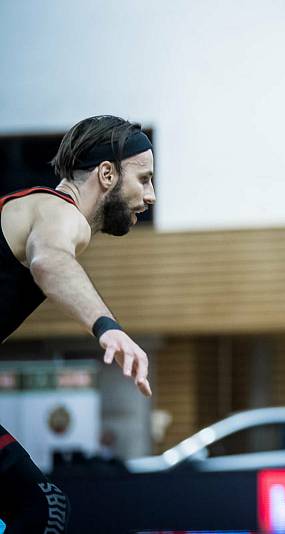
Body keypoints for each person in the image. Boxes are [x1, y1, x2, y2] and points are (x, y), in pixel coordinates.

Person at [0, 115, 155, 533]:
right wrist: (108, 327)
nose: (151, 195)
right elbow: (48, 260)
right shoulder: (60, 212)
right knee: (40, 507)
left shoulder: (38, 209)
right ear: (107, 174)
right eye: (144, 179)